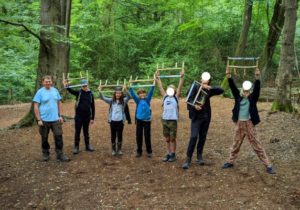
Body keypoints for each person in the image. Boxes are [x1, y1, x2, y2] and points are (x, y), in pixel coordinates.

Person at [222, 68, 276, 174]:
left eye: (248, 90)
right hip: (240, 124)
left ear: (250, 90)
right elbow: (233, 87)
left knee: (257, 144)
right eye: (245, 90)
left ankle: (268, 165)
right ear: (242, 89)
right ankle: (230, 161)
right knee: (236, 143)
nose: (246, 92)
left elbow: (257, 89)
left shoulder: (252, 97)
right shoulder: (238, 96)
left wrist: (257, 77)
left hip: (249, 123)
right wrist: (228, 76)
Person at [182, 72, 224, 169]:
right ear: (201, 79)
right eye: (203, 79)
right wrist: (194, 106)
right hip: (196, 117)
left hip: (206, 117)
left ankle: (199, 156)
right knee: (193, 136)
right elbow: (188, 100)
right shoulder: (194, 86)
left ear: (208, 81)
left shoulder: (209, 89)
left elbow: (221, 90)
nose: (205, 80)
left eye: (207, 79)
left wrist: (211, 88)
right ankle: (188, 159)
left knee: (203, 136)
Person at [33, 75, 70, 162]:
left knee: (59, 137)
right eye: (46, 81)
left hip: (55, 119)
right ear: (43, 82)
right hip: (44, 120)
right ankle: (45, 153)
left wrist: (60, 115)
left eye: (49, 81)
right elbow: (35, 106)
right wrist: (38, 119)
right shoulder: (39, 92)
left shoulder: (55, 90)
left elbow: (59, 103)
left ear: (51, 82)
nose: (48, 83)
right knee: (44, 138)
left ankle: (60, 154)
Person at [155, 70, 184, 162]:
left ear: (174, 91)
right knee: (167, 139)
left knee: (172, 138)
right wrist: (158, 78)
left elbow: (180, 86)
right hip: (164, 120)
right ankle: (168, 153)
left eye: (172, 89)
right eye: (169, 89)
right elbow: (160, 87)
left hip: (172, 121)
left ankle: (173, 154)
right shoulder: (165, 96)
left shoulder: (176, 97)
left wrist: (181, 77)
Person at [63, 79, 95, 154]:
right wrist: (67, 85)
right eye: (83, 86)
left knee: (86, 131)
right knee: (77, 131)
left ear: (87, 85)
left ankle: (87, 146)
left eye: (86, 85)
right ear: (81, 86)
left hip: (87, 116)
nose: (85, 87)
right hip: (78, 116)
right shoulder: (79, 93)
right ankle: (76, 147)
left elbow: (93, 106)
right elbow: (70, 90)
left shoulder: (91, 94)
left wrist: (92, 118)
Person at [99, 86, 131, 156]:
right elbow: (102, 98)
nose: (118, 94)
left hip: (120, 121)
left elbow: (129, 97)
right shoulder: (111, 100)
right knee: (113, 135)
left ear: (121, 94)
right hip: (113, 121)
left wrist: (126, 90)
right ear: (115, 94)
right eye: (117, 93)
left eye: (119, 93)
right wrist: (100, 91)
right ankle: (113, 150)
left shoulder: (124, 100)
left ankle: (119, 149)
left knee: (120, 135)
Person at [129, 85, 155, 158]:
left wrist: (153, 86)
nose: (142, 94)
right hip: (139, 121)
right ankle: (139, 151)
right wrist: (130, 88)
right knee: (139, 136)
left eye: (143, 93)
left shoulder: (147, 99)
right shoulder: (138, 100)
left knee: (147, 136)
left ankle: (149, 151)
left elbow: (151, 92)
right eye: (140, 93)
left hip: (147, 121)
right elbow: (133, 95)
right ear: (138, 95)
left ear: (145, 94)